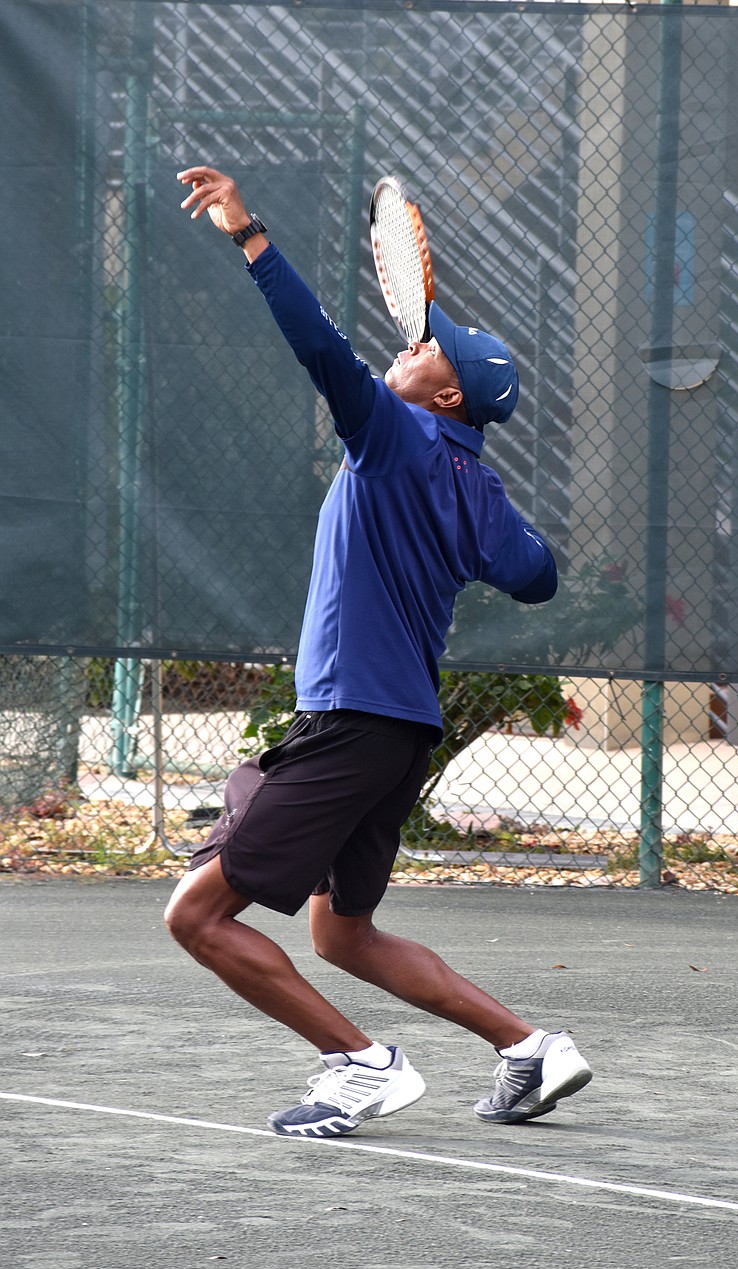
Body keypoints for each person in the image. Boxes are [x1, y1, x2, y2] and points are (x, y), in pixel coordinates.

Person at [164, 165, 592, 1139]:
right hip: (398, 737)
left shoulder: (394, 435)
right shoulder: (476, 485)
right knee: (341, 932)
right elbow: (536, 574)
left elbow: (318, 345)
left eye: (426, 349)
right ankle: (530, 1048)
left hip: (351, 722)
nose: (408, 346)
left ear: (444, 393)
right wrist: (470, 511)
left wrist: (250, 235)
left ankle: (360, 1064)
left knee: (195, 916)